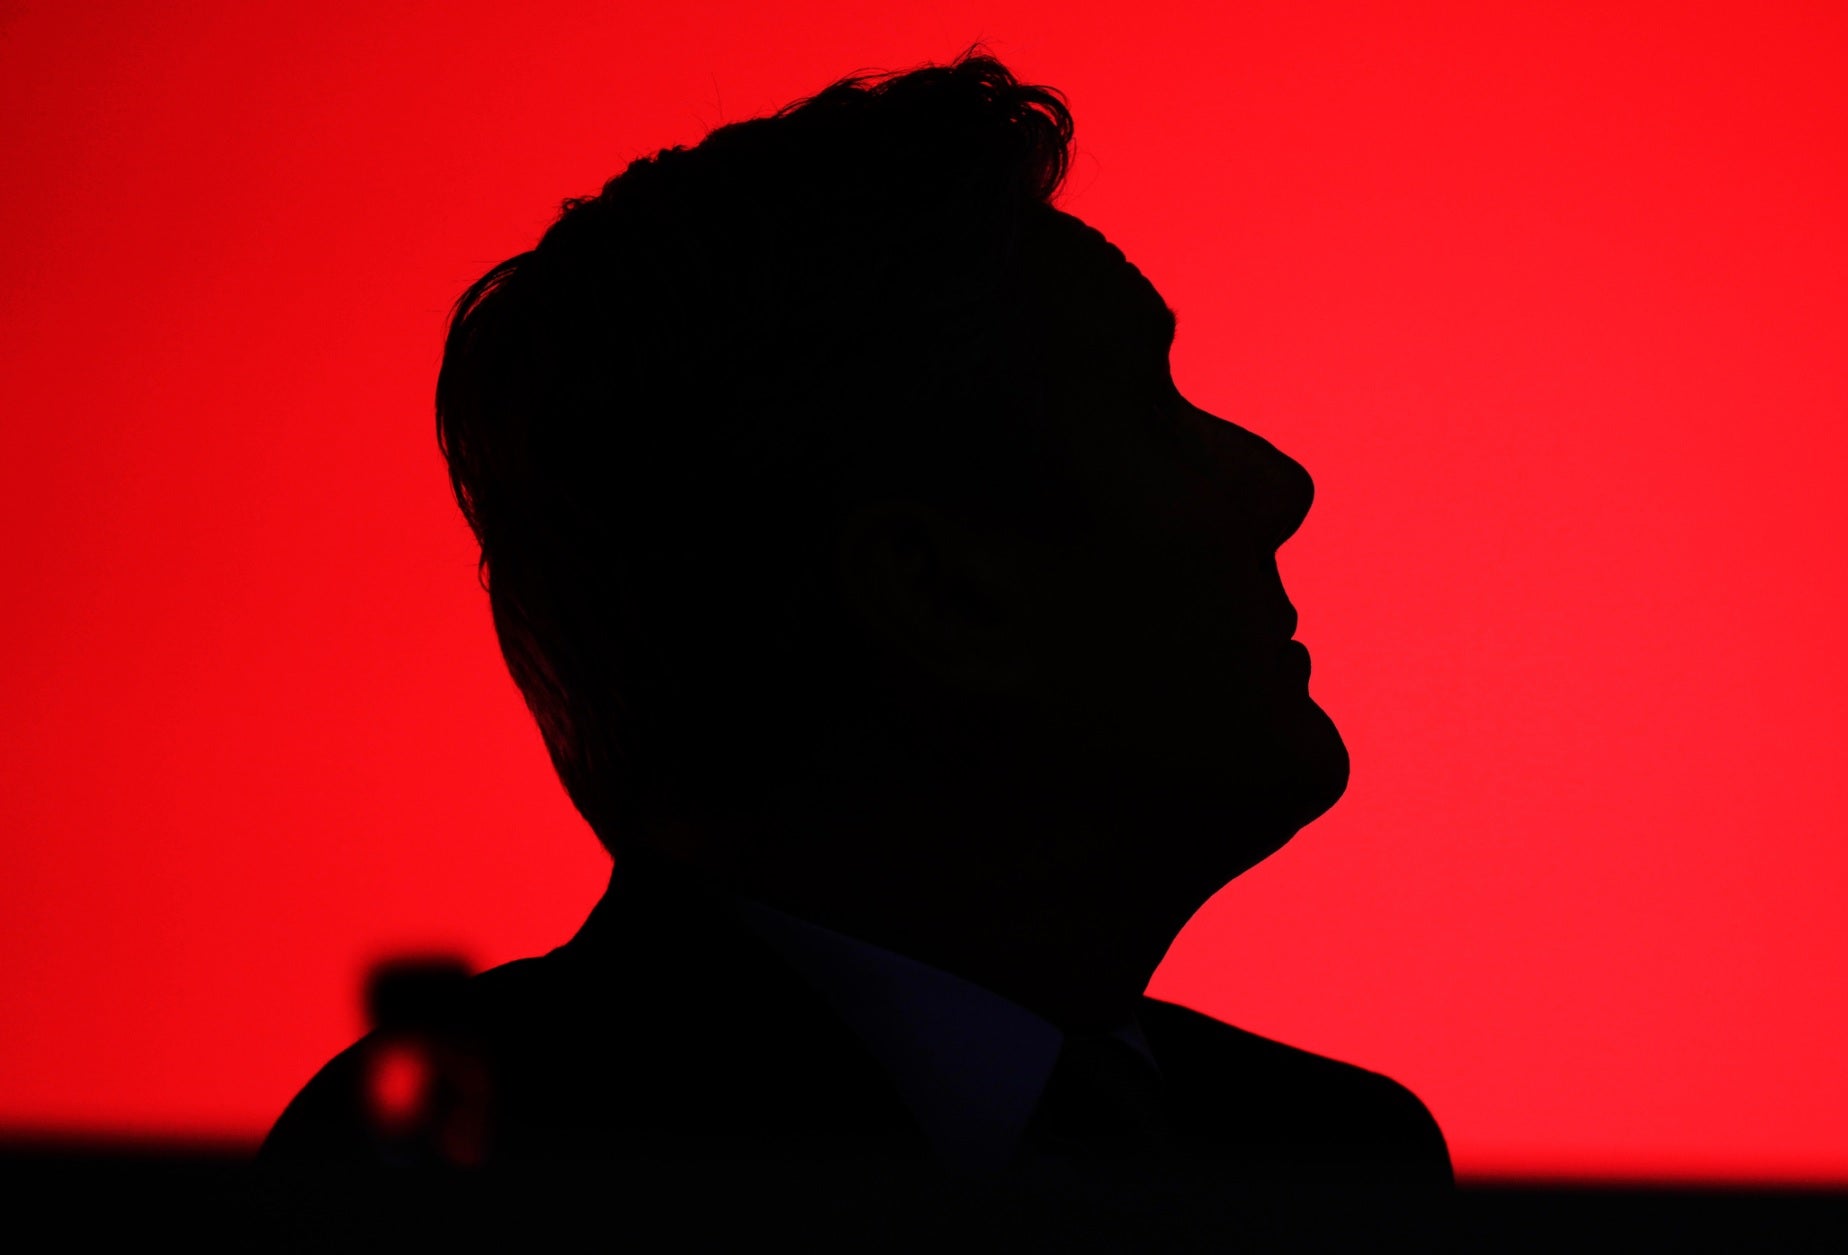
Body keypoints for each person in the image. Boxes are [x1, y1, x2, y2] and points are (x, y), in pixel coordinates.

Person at [259, 46, 1452, 1243]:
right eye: (1153, 412)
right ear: (929, 587)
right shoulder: (476, 1172)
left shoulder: (1336, 1160)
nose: (1276, 484)